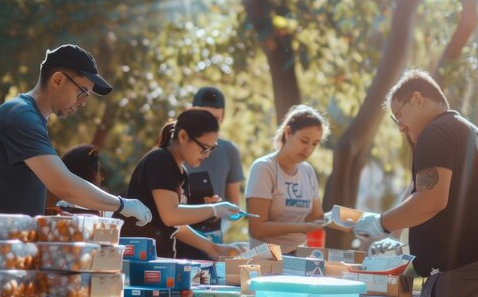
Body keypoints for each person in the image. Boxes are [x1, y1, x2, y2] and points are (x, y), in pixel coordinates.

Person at [0, 44, 152, 256]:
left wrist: (84, 201)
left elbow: (50, 185)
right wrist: (122, 204)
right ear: (58, 80)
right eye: (82, 92)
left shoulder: (30, 116)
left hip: (9, 249)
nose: (84, 103)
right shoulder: (21, 116)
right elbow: (63, 185)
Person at [353, 70, 478, 296]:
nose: (400, 127)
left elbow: (431, 199)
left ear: (417, 99)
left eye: (399, 115)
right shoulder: (471, 132)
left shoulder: (435, 132)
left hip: (459, 275)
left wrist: (379, 223)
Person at [122, 108, 245, 260]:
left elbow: (177, 225)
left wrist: (213, 248)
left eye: (212, 149)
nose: (207, 155)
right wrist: (214, 209)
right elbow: (170, 216)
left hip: (163, 260)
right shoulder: (160, 160)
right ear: (183, 136)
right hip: (142, 260)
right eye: (204, 148)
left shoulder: (182, 172)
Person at [245, 105, 329, 254]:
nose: (308, 149)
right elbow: (257, 228)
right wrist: (302, 228)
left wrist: (341, 220)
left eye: (315, 144)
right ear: (288, 132)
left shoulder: (308, 171)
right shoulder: (264, 168)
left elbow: (317, 219)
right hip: (267, 257)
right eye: (304, 141)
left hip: (301, 256)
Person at [176, 87, 245, 259]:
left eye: (215, 119)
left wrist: (219, 208)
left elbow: (234, 206)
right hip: (177, 237)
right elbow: (167, 209)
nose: (208, 124)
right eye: (203, 116)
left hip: (212, 240)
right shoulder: (177, 150)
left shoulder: (230, 151)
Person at [45, 144, 105, 215]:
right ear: (94, 175)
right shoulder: (101, 216)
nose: (100, 178)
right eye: (99, 171)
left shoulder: (54, 212)